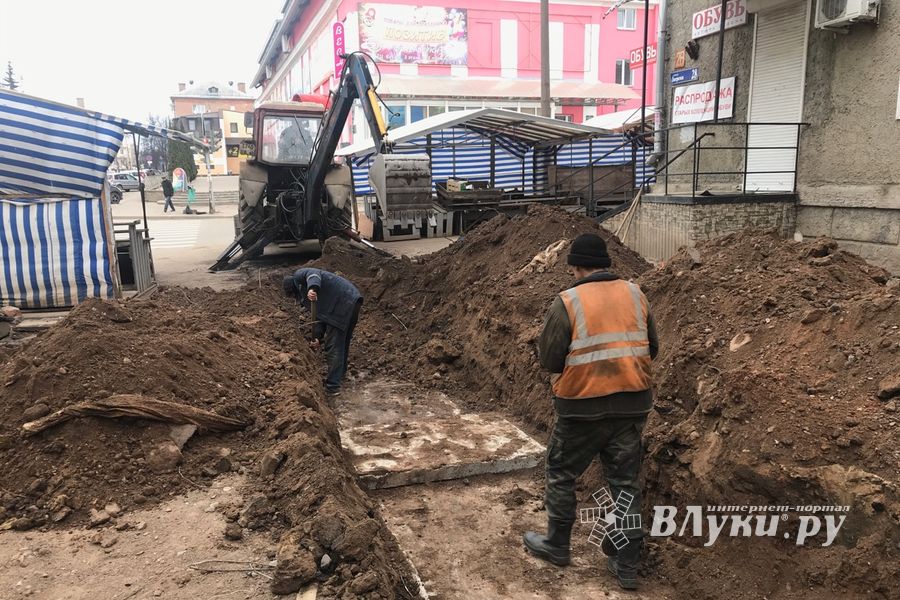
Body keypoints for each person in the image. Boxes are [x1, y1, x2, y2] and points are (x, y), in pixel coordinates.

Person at [523, 233, 659, 591]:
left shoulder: (567, 301)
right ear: (606, 264)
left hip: (581, 408)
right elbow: (653, 348)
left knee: (561, 472)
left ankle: (557, 545)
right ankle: (626, 564)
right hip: (631, 407)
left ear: (574, 266)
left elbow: (550, 359)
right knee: (624, 485)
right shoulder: (636, 293)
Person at [283, 268, 363, 396]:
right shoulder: (306, 298)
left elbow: (313, 275)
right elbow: (319, 317)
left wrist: (312, 288)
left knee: (334, 346)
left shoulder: (300, 276)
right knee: (342, 342)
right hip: (351, 301)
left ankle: (333, 386)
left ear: (294, 288)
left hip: (342, 301)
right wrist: (317, 338)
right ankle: (339, 376)